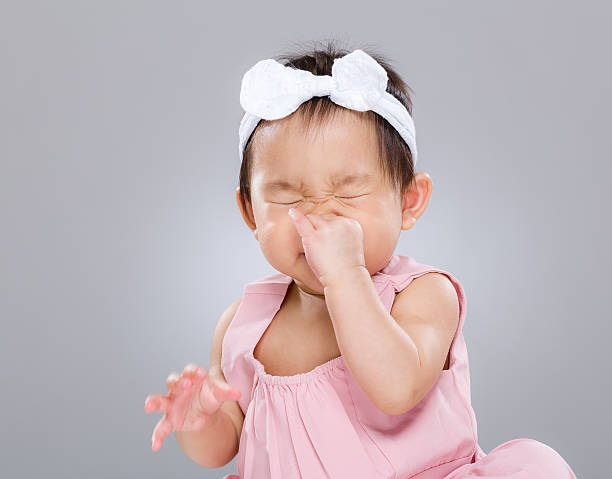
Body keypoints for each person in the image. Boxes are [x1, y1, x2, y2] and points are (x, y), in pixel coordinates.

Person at [144, 40, 578, 478]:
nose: (318, 212)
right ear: (250, 212)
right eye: (288, 195)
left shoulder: (424, 295)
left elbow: (396, 388)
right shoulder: (243, 325)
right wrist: (198, 421)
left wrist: (345, 276)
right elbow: (225, 445)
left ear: (409, 201)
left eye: (348, 191)